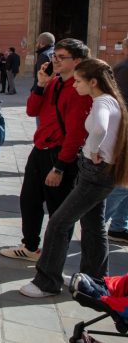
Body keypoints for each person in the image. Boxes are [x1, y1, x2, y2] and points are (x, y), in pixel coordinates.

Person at [20, 58, 128, 297]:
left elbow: (98, 128)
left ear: (93, 81)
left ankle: (47, 281)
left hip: (94, 173)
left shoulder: (101, 101)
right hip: (99, 172)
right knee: (93, 225)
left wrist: (92, 150)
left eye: (79, 81)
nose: (75, 85)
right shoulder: (109, 100)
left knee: (59, 223)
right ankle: (94, 280)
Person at [0, 38, 92, 261]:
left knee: (58, 211)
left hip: (60, 153)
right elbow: (32, 110)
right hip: (40, 148)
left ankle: (53, 257)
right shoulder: (53, 82)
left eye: (62, 57)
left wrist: (60, 167)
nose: (56, 61)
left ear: (78, 60)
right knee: (29, 199)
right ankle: (30, 246)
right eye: (55, 56)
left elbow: (76, 134)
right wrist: (41, 84)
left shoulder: (79, 90)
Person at [104, 37, 128, 242]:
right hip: (125, 133)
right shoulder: (124, 69)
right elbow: (121, 104)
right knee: (123, 184)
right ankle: (98, 223)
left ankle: (119, 226)